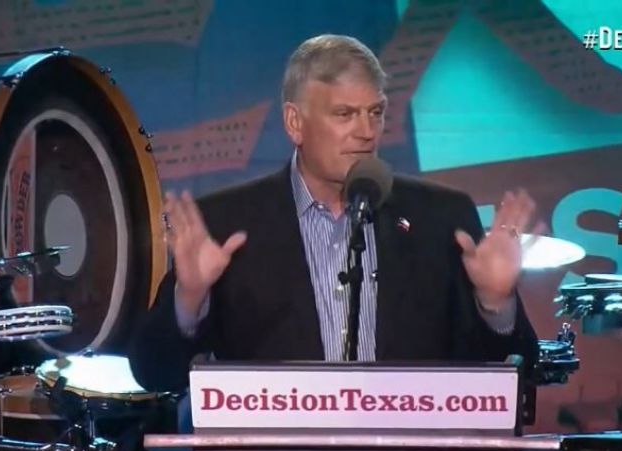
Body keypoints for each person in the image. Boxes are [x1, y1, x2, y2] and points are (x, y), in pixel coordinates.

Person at [128, 34, 541, 393]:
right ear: (295, 123)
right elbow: (154, 372)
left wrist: (495, 303)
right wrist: (190, 298)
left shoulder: (442, 218)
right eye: (344, 114)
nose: (366, 131)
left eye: (375, 113)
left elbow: (514, 378)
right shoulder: (225, 223)